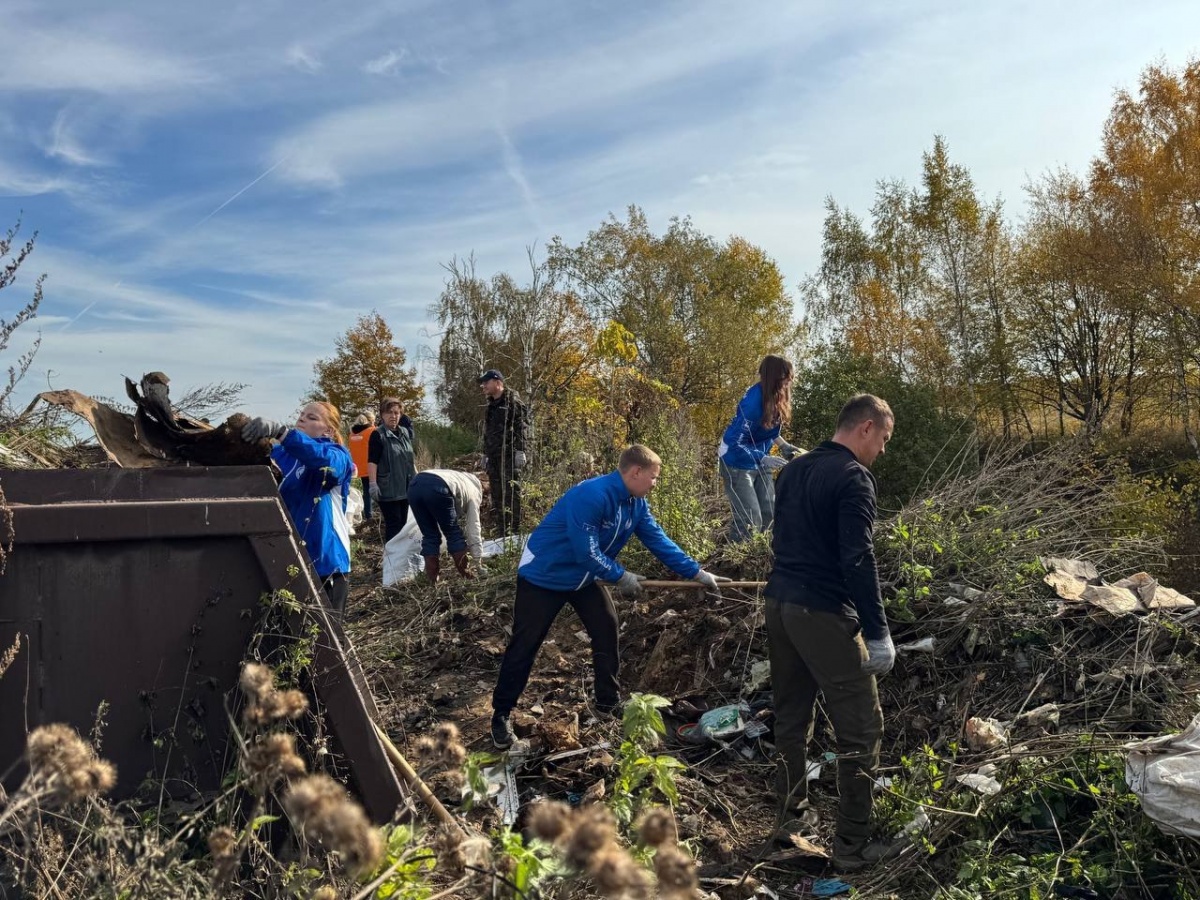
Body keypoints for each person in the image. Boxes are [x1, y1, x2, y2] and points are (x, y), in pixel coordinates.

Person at [489, 444, 730, 749]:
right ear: (636, 472)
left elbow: (658, 540)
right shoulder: (592, 495)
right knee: (526, 644)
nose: (655, 483)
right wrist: (620, 576)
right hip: (544, 576)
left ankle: (607, 701)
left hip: (584, 578)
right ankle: (501, 714)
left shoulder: (635, 504)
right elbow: (586, 551)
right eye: (653, 477)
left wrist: (696, 572)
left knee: (606, 627)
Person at [765, 393, 896, 872]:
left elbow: (783, 538)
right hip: (821, 611)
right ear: (866, 428)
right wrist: (877, 632)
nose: (882, 450)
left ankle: (788, 822)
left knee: (791, 717)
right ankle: (852, 847)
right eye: (884, 438)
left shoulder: (794, 470)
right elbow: (858, 557)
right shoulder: (853, 477)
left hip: (779, 606)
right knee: (862, 727)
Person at [241, 402, 355, 615]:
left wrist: (282, 432)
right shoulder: (280, 454)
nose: (302, 418)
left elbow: (324, 461)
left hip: (325, 562)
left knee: (325, 632)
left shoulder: (337, 454)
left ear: (329, 430)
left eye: (312, 417)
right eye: (302, 414)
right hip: (284, 558)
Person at [717, 355, 805, 542]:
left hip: (760, 459)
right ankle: (736, 558)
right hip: (736, 461)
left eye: (791, 376)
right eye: (786, 376)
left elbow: (766, 430)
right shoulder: (753, 403)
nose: (790, 381)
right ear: (774, 376)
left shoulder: (777, 397)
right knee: (750, 519)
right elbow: (735, 442)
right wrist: (763, 458)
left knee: (769, 515)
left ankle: (762, 556)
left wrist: (784, 446)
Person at [407, 469, 484, 583]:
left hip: (414, 486)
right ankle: (467, 576)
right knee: (453, 534)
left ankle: (433, 582)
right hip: (437, 487)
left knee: (430, 536)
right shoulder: (474, 492)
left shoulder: (458, 478)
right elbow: (474, 529)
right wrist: (478, 562)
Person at [479, 369, 528, 537]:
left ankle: (514, 533)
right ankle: (502, 533)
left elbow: (523, 428)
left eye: (486, 382)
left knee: (512, 494)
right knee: (497, 495)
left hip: (509, 457)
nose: (483, 385)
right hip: (494, 459)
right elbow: (488, 433)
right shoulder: (491, 406)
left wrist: (521, 450)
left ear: (498, 382)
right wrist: (485, 454)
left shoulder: (513, 402)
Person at [368, 398, 415, 544]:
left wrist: (417, 479)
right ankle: (392, 555)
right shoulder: (378, 434)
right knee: (394, 525)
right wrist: (373, 483)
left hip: (406, 486)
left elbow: (409, 459)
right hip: (388, 488)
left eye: (396, 413)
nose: (393, 416)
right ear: (382, 415)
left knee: (405, 524)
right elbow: (372, 461)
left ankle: (403, 555)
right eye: (389, 412)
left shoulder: (405, 432)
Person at [348, 411, 376, 520]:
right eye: (373, 420)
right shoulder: (372, 431)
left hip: (360, 468)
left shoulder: (352, 434)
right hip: (373, 466)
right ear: (370, 420)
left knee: (367, 491)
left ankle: (368, 515)